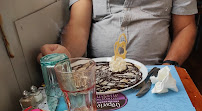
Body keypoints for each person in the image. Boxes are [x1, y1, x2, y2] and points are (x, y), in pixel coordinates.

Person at [37, 0, 198, 67]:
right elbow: (78, 26)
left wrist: (169, 66)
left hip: (154, 71)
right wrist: (67, 55)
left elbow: (185, 27)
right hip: (97, 73)